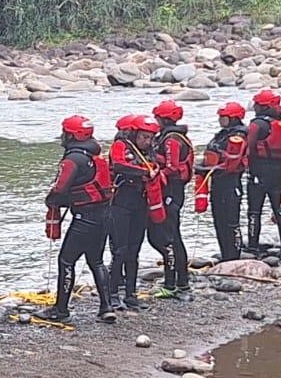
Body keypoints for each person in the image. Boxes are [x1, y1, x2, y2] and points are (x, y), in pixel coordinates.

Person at [38, 115, 117, 324]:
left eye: (64, 132)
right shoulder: (93, 156)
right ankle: (106, 307)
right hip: (104, 215)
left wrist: (51, 202)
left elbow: (60, 188)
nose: (62, 136)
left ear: (72, 135)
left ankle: (61, 309)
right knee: (96, 261)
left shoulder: (72, 160)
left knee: (66, 260)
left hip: (85, 218)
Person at [107, 115, 167, 312]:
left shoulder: (149, 153)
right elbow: (118, 165)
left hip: (140, 205)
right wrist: (143, 172)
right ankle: (113, 294)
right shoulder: (120, 146)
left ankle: (131, 295)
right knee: (119, 251)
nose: (147, 141)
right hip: (120, 205)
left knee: (134, 251)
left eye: (150, 138)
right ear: (134, 134)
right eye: (143, 137)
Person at [150, 101, 194, 300]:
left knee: (170, 237)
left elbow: (172, 167)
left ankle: (174, 283)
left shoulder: (171, 140)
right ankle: (180, 281)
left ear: (163, 118)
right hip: (173, 191)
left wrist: (152, 173)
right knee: (171, 236)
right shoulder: (175, 136)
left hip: (171, 191)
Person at [245, 89, 281, 258]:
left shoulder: (256, 124)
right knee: (280, 211)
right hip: (279, 171)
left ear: (262, 107)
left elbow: (249, 149)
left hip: (259, 171)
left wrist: (248, 169)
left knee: (254, 212)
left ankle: (252, 248)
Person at [198, 102, 249, 261]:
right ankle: (225, 253)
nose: (220, 120)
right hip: (218, 182)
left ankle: (233, 256)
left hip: (230, 183)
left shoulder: (238, 137)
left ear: (233, 118)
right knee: (219, 220)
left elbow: (230, 165)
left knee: (231, 222)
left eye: (223, 117)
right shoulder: (222, 134)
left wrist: (206, 170)